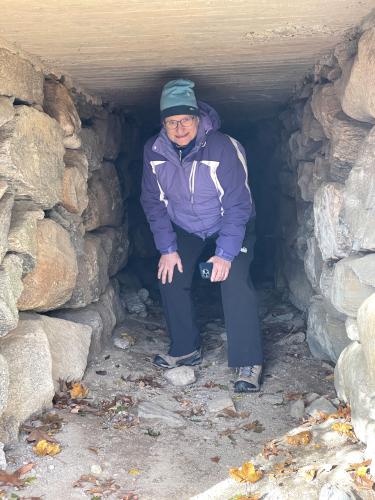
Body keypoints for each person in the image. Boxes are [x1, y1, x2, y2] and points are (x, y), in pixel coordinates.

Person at [140, 79, 263, 392]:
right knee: (169, 274)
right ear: (163, 124)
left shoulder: (223, 147)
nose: (180, 128)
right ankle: (185, 348)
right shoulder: (153, 152)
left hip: (230, 222)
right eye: (172, 122)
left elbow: (238, 204)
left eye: (186, 120)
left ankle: (248, 361)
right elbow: (152, 203)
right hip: (188, 225)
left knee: (233, 278)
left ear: (198, 118)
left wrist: (224, 254)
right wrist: (168, 248)